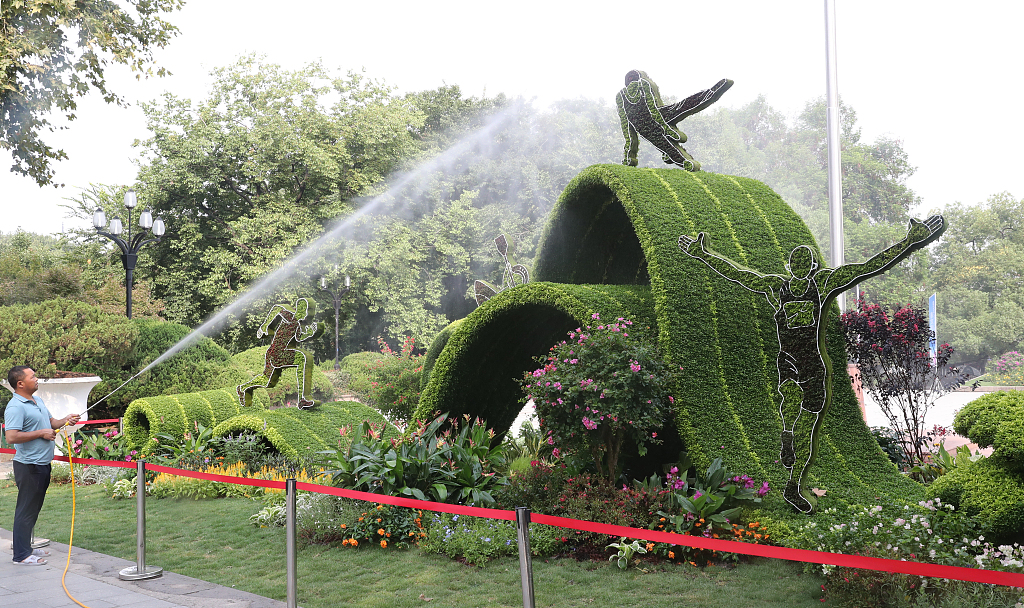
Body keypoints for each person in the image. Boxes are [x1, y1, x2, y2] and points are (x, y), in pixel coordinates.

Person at [678, 215, 945, 513]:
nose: (801, 266)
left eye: (806, 262)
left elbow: (866, 268)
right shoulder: (776, 287)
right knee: (791, 401)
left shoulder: (822, 284)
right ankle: (787, 436)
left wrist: (909, 243)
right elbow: (738, 274)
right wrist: (703, 254)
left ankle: (793, 480)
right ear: (791, 266)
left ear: (812, 267)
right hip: (791, 360)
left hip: (814, 365)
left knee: (808, 424)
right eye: (797, 261)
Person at [5, 365, 79, 565]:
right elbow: (11, 436)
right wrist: (40, 433)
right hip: (29, 466)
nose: (37, 379)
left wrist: (66, 420)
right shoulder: (15, 406)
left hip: (42, 464)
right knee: (26, 509)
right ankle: (21, 556)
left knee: (33, 509)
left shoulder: (37, 400)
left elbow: (52, 422)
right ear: (20, 384)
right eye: (33, 376)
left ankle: (26, 549)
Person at [237, 297, 322, 409]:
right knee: (304, 358)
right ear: (301, 308)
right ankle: (304, 398)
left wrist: (312, 332)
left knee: (267, 382)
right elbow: (277, 308)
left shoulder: (298, 325)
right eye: (309, 309)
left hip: (277, 353)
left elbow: (299, 337)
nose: (309, 314)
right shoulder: (289, 316)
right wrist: (265, 327)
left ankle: (244, 388)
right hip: (276, 353)